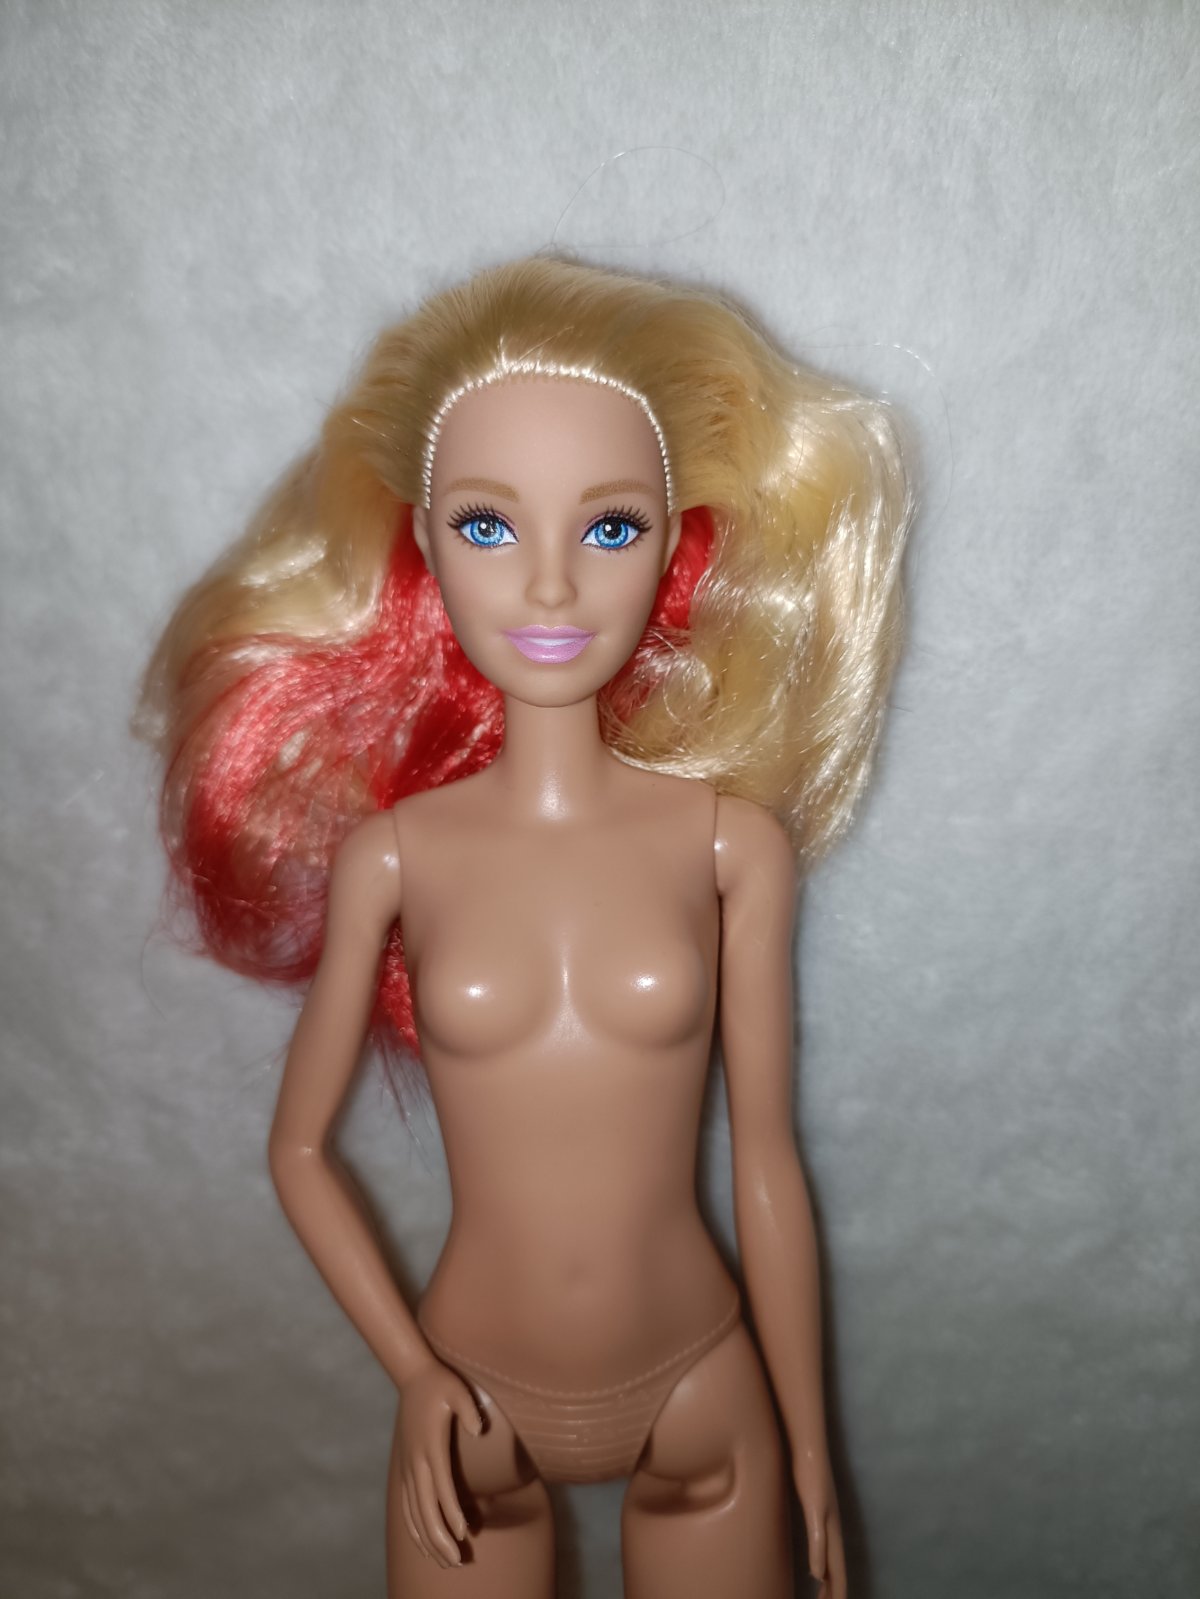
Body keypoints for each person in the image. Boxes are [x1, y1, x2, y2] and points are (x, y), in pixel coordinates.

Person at [139, 256, 912, 1598]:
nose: (550, 589)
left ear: (676, 546)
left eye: (609, 529)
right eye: (489, 525)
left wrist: (807, 1445)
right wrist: (415, 1374)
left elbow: (769, 1167)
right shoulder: (396, 859)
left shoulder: (731, 848)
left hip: (700, 1387)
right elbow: (300, 1149)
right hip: (471, 1397)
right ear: (423, 543)